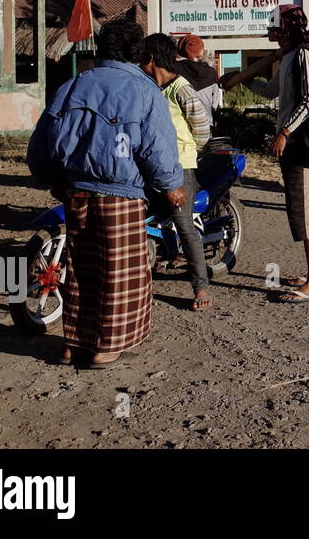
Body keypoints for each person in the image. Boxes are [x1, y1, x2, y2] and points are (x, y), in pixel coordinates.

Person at [27, 19, 184, 368]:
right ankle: (105, 348)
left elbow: (42, 144)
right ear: (138, 53)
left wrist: (51, 179)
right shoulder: (144, 91)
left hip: (76, 193)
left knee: (82, 269)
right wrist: (172, 185)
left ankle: (74, 343)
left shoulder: (72, 86)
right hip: (121, 194)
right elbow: (157, 150)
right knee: (120, 272)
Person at [232, 4, 309, 301]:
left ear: (285, 31)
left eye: (275, 28)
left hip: (303, 145)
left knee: (306, 213)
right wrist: (245, 78)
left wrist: (284, 132)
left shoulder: (302, 56)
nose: (271, 33)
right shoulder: (289, 56)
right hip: (299, 144)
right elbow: (271, 91)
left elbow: (308, 101)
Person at [140, 33, 213, 312]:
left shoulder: (181, 88)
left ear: (151, 59)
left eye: (142, 60)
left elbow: (201, 126)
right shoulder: (150, 88)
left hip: (180, 166)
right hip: (150, 165)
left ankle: (201, 286)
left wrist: (190, 152)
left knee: (184, 226)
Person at [173, 33, 221, 119]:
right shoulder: (211, 73)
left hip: (182, 125)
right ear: (201, 50)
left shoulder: (173, 70)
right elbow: (215, 102)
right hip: (206, 122)